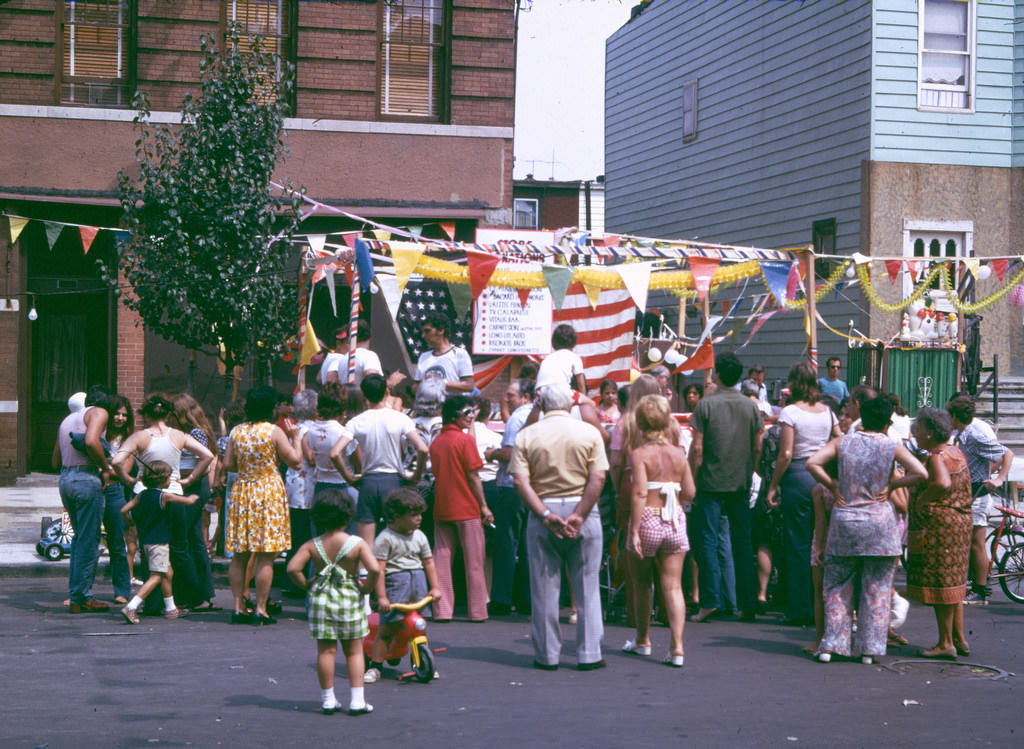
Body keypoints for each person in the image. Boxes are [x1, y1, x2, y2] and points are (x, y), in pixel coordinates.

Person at [806, 396, 927, 664]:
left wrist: (833, 484)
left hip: (845, 521)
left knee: (837, 585)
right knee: (877, 588)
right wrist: (893, 486)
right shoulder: (891, 445)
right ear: (886, 423)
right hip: (880, 524)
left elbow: (812, 463)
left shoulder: (843, 442)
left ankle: (832, 644)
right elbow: (921, 472)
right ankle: (869, 649)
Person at [511, 383, 608, 671]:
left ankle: (547, 655)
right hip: (583, 507)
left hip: (544, 509)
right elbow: (599, 478)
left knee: (543, 587)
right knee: (588, 585)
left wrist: (543, 514)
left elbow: (520, 481)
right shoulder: (589, 433)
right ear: (570, 406)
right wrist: (579, 513)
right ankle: (590, 653)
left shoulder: (527, 435)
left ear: (540, 405)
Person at [286, 489, 380, 716]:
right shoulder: (356, 543)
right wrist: (366, 588)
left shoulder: (312, 545)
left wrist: (307, 584)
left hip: (321, 601)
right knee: (354, 651)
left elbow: (292, 568)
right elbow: (375, 569)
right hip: (349, 599)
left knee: (326, 651)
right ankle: (357, 700)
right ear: (348, 515)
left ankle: (328, 699)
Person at [764, 362, 841, 626]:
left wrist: (773, 484)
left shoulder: (790, 413)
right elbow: (839, 438)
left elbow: (785, 454)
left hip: (797, 474)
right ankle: (822, 602)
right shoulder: (828, 412)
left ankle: (800, 606)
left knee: (797, 543)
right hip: (822, 473)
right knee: (820, 540)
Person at [688, 351, 762, 623]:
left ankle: (710, 600)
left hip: (710, 481)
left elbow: (697, 448)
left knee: (706, 540)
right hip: (739, 481)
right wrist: (751, 469)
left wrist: (692, 480)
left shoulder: (705, 406)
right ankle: (747, 601)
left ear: (717, 374)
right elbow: (758, 445)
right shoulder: (750, 406)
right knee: (743, 542)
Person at [622, 395, 696, 667]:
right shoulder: (679, 453)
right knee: (673, 586)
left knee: (642, 584)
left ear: (640, 423)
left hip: (649, 518)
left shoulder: (639, 454)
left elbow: (640, 492)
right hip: (674, 518)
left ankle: (643, 640)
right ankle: (677, 647)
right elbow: (690, 492)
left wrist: (634, 531)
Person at [220, 386, 302, 625]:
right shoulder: (274, 432)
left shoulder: (237, 431)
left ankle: (237, 607)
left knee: (240, 554)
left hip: (243, 490)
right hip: (268, 490)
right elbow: (295, 462)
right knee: (265, 555)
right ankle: (261, 608)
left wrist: (248, 468)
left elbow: (228, 464)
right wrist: (295, 438)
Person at [330, 373, 429, 547]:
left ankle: (364, 573)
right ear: (385, 392)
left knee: (365, 546)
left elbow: (335, 453)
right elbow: (422, 448)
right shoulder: (400, 418)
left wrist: (350, 478)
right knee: (396, 542)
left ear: (363, 394)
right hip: (393, 481)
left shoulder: (356, 421)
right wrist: (415, 476)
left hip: (368, 481)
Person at [906, 408, 973, 658]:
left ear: (931, 432)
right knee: (954, 582)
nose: (916, 433)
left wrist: (922, 500)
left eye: (920, 428)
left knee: (942, 583)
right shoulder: (955, 451)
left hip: (940, 526)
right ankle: (959, 637)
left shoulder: (937, 455)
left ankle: (945, 643)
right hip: (960, 522)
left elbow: (942, 483)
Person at [365, 488, 441, 683]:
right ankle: (375, 666)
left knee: (419, 626)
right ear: (396, 516)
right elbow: (379, 570)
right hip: (396, 585)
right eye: (413, 515)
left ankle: (422, 661)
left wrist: (435, 587)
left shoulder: (420, 536)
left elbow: (429, 563)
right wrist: (381, 596)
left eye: (420, 514)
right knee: (388, 629)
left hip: (418, 584)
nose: (419, 519)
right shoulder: (385, 538)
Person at [429, 395, 494, 622]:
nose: (471, 417)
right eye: (467, 413)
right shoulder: (465, 441)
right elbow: (474, 476)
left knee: (441, 560)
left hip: (442, 505)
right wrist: (484, 506)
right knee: (474, 561)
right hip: (466, 506)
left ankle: (442, 610)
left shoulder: (437, 441)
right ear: (455, 415)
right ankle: (477, 611)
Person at [52, 384, 115, 613]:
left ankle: (76, 594)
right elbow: (90, 441)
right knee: (89, 541)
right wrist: (105, 467)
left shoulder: (67, 420)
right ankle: (83, 596)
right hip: (86, 478)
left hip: (66, 478)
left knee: (80, 539)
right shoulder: (99, 412)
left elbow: (54, 459)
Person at [946, 395, 1015, 605]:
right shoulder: (961, 434)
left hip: (979, 495)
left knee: (977, 544)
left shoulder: (975, 435)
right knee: (969, 542)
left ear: (955, 415)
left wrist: (999, 478)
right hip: (968, 493)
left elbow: (1006, 453)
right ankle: (971, 584)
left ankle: (980, 590)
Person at [119, 461, 200, 623]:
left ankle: (171, 609)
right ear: (163, 480)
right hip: (160, 543)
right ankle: (132, 606)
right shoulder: (164, 496)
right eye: (169, 477)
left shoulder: (141, 496)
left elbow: (123, 510)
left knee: (167, 572)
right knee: (157, 575)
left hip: (146, 542)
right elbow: (188, 502)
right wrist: (193, 496)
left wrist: (131, 522)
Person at [488, 378, 535, 615]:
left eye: (511, 396)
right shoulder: (541, 416)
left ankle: (502, 598)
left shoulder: (518, 418)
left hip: (512, 486)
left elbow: (509, 453)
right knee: (528, 545)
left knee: (506, 542)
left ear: (526, 397)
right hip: (535, 488)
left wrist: (492, 453)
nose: (506, 400)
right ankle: (526, 598)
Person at [169, 393, 218, 611]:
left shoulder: (195, 433)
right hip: (196, 485)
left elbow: (203, 461)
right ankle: (203, 591)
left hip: (193, 485)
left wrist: (187, 479)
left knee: (186, 539)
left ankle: (192, 592)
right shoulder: (198, 431)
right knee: (195, 539)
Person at [283, 389, 319, 598]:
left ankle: (293, 579)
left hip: (295, 486)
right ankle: (300, 579)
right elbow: (311, 458)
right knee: (305, 535)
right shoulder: (310, 430)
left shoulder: (294, 429)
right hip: (307, 487)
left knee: (296, 535)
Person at [103, 393, 134, 603]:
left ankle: (122, 591)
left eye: (124, 415)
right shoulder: (99, 435)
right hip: (95, 491)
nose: (120, 418)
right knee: (86, 543)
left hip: (115, 492)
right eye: (116, 413)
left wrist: (103, 468)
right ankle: (79, 592)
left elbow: (125, 470)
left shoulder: (129, 441)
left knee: (117, 544)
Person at [413, 313, 474, 394]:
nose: (423, 335)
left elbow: (469, 386)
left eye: (427, 331)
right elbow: (414, 387)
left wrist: (442, 382)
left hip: (452, 405)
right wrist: (422, 385)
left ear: (441, 330)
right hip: (430, 405)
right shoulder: (424, 357)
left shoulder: (459, 353)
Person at [319, 319, 383, 386]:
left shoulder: (341, 358)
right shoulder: (339, 358)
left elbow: (319, 378)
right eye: (347, 343)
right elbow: (330, 377)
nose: (348, 346)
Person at [536, 323, 587, 394]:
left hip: (540, 395)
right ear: (574, 342)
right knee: (590, 403)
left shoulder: (547, 358)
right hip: (560, 394)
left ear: (553, 342)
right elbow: (581, 385)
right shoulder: (574, 357)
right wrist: (584, 401)